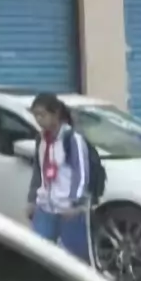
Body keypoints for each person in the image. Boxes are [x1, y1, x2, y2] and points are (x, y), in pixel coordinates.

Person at [25, 92, 93, 264]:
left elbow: (81, 173)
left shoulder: (72, 139)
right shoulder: (41, 140)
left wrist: (75, 203)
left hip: (68, 209)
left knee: (73, 260)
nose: (39, 120)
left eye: (42, 115)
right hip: (45, 206)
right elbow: (38, 171)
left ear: (55, 114)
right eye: (36, 115)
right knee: (39, 256)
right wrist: (32, 200)